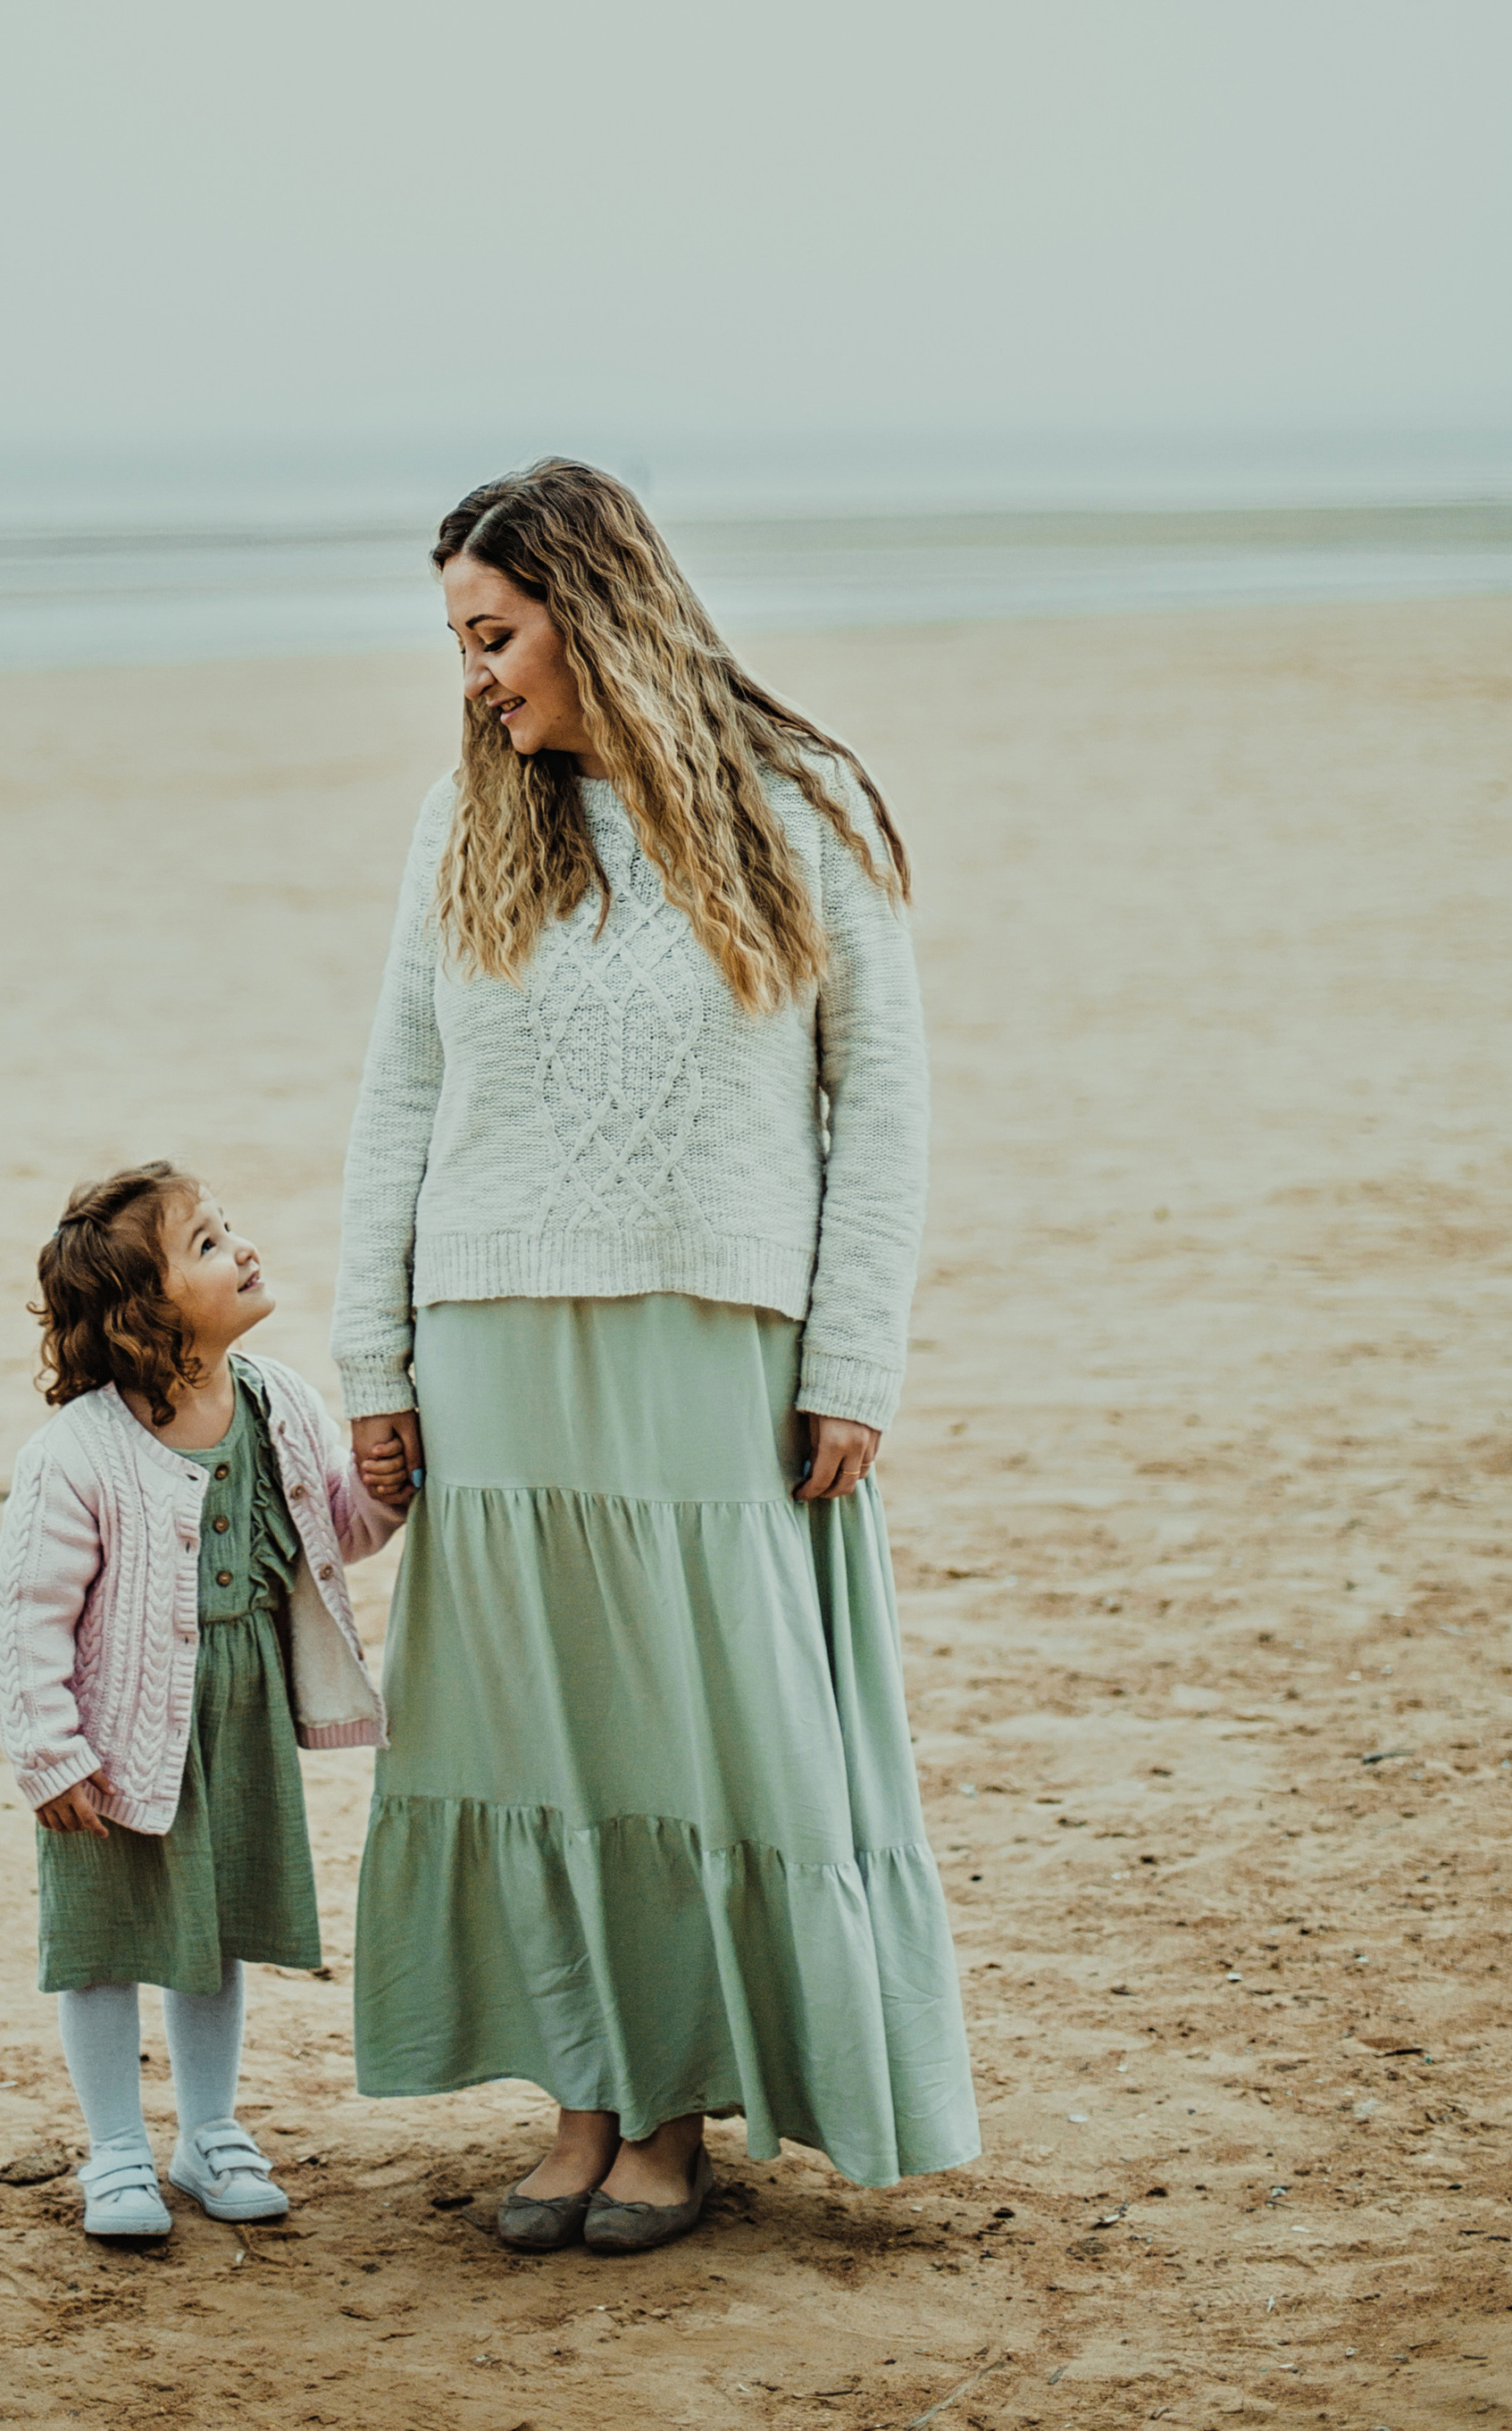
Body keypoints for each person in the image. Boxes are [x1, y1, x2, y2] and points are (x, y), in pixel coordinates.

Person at [337, 460, 979, 2254]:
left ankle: (675, 2112)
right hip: (491, 1343)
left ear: (592, 609)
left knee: (693, 1740)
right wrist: (374, 1358)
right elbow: (398, 1100)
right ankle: (583, 2098)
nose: (475, 678)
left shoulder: (801, 806)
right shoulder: (465, 823)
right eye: (460, 644)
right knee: (537, 1738)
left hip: (714, 1342)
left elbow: (881, 1102)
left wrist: (853, 1357)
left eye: (493, 635)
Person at [0, 1162, 409, 2242]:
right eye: (209, 1245)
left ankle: (209, 2131)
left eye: (230, 1229)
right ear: (143, 1312)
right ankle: (117, 2149)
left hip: (239, 1714)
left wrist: (380, 1495)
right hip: (117, 1735)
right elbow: (28, 1617)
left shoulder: (279, 1401)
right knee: (106, 1942)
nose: (244, 1249)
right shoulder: (76, 1453)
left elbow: (327, 1535)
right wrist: (50, 1754)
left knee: (212, 1932)